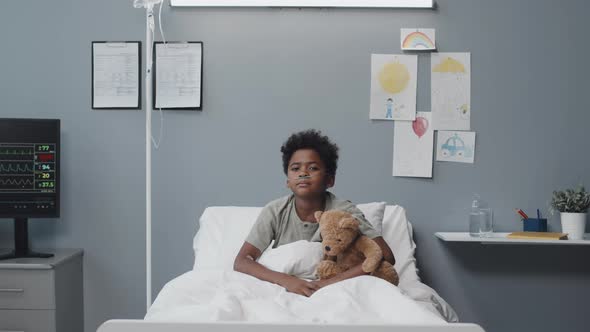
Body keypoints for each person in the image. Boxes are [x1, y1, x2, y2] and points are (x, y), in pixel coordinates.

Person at [233, 129, 395, 297]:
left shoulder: (344, 212)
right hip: (286, 286)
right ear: (288, 181)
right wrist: (287, 281)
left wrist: (326, 284)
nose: (303, 173)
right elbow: (242, 261)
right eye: (295, 168)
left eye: (313, 168)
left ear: (329, 180)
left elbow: (386, 256)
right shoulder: (275, 211)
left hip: (332, 285)